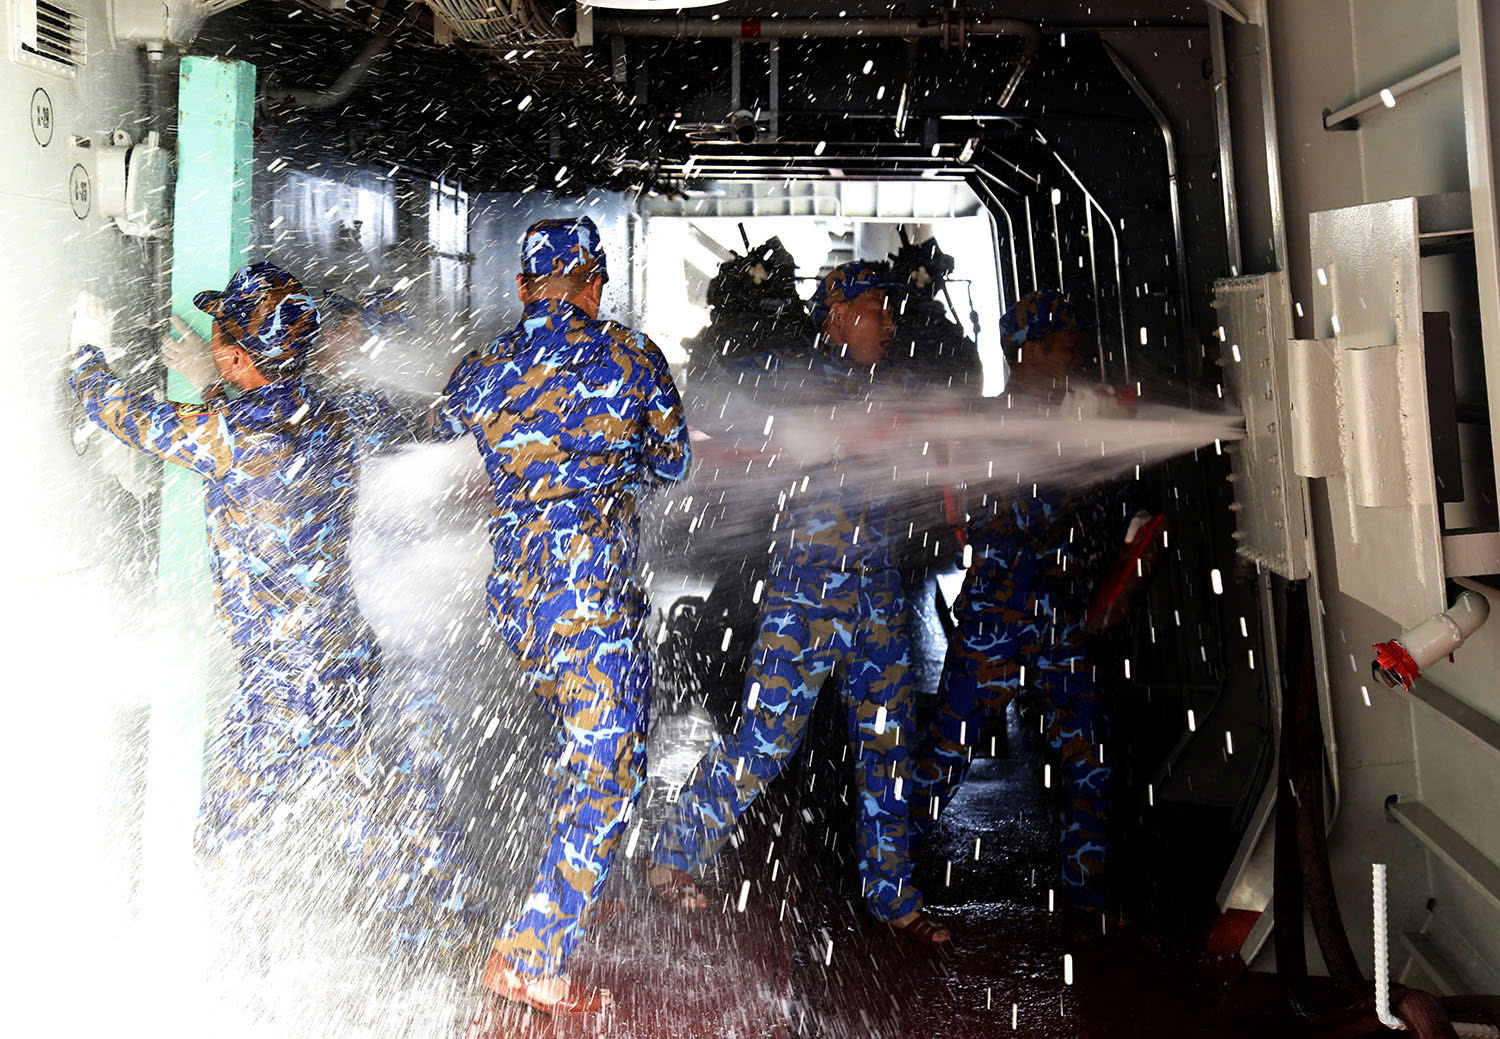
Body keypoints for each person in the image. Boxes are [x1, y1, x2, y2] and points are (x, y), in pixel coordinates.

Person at [68, 264, 469, 962]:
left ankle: (245, 976)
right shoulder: (329, 418)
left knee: (228, 838)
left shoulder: (228, 436)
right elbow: (263, 432)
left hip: (284, 677)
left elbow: (125, 415)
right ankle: (433, 934)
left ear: (234, 355)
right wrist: (215, 385)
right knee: (371, 811)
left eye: (221, 335)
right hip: (343, 654)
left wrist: (84, 357)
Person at [647, 260, 951, 946]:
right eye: (877, 310)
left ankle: (893, 895)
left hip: (876, 594)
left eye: (891, 311)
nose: (889, 323)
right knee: (766, 740)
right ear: (838, 315)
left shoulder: (893, 387)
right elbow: (722, 417)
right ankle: (673, 854)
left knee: (887, 746)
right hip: (806, 592)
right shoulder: (795, 378)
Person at [436, 216, 690, 1017]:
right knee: (609, 770)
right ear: (596, 284)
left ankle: (571, 885)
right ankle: (531, 955)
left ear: (522, 287)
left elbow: (444, 445)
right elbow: (673, 461)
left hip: (519, 599)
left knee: (582, 745)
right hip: (587, 595)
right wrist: (607, 459)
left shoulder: (483, 367)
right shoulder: (633, 357)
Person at [909, 289, 1133, 915]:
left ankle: (1087, 899)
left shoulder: (1075, 419)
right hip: (998, 620)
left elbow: (1104, 516)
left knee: (1090, 758)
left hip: (1061, 620)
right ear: (1027, 351)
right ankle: (886, 876)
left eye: (1075, 347)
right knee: (947, 754)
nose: (1073, 359)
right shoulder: (993, 427)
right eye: (1062, 347)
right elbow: (1029, 514)